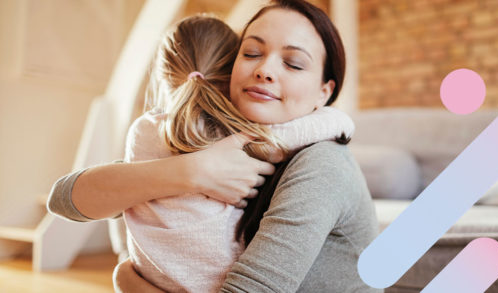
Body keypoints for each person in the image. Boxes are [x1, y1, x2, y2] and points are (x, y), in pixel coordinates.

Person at [49, 0, 381, 292]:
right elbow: (65, 200)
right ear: (226, 70)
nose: (264, 70)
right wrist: (191, 171)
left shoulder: (322, 164)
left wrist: (128, 282)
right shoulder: (208, 140)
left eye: (293, 63)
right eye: (251, 53)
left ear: (324, 92)